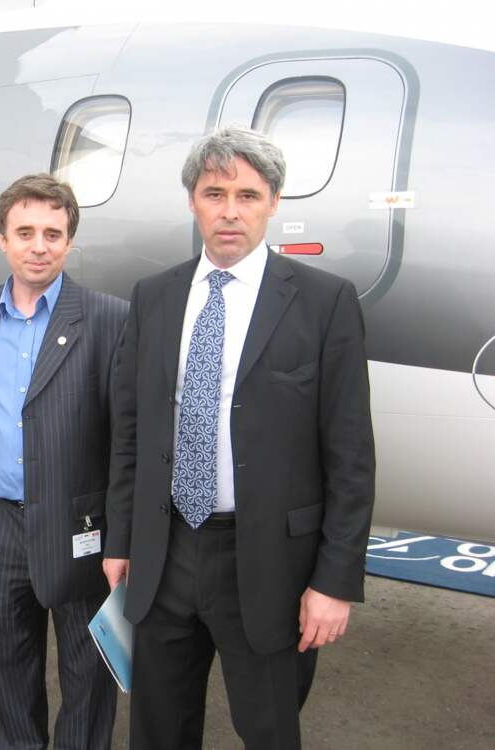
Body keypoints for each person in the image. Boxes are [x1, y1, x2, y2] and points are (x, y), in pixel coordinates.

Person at [103, 127, 375, 749]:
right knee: (158, 731)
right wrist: (120, 539)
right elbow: (131, 432)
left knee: (269, 730)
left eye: (248, 195)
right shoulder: (154, 297)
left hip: (270, 565)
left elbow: (351, 457)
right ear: (192, 202)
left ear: (273, 202)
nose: (230, 211)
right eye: (214, 194)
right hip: (165, 551)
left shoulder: (324, 302)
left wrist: (335, 580)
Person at [0, 174, 127, 749]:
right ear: (3, 239)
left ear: (69, 241)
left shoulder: (109, 319)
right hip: (0, 523)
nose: (39, 246)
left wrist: (121, 538)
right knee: (9, 665)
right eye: (25, 232)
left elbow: (126, 439)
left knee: (88, 671)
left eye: (53, 234)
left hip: (80, 526)